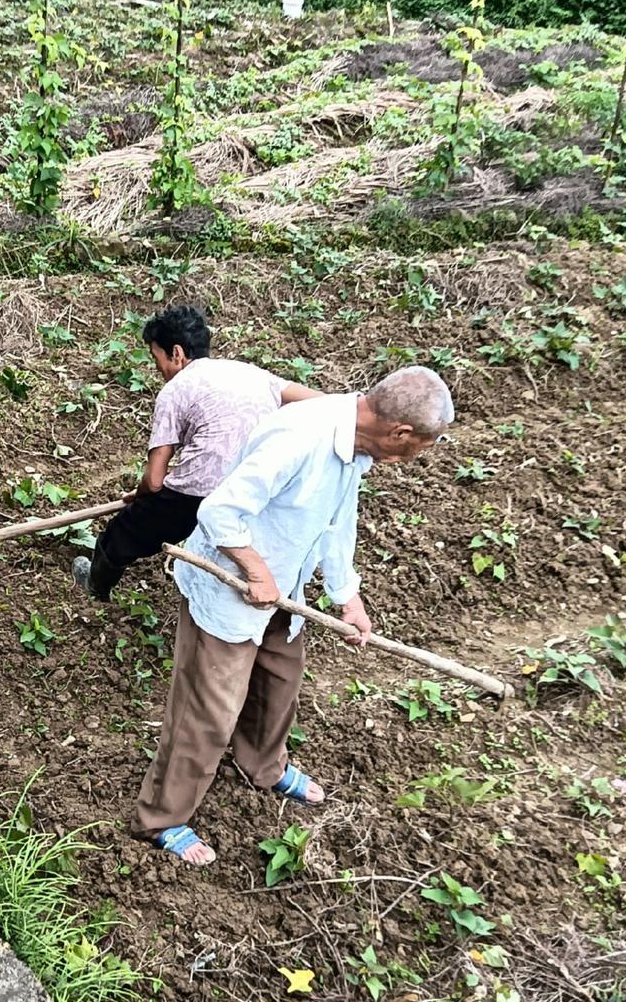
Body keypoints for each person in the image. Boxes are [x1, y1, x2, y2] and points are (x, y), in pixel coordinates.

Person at [133, 366, 455, 868]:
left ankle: (262, 765)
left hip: (285, 590)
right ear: (401, 432)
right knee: (208, 712)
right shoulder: (300, 436)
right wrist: (257, 572)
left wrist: (347, 595)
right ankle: (161, 817)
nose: (412, 459)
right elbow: (220, 512)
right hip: (233, 585)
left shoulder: (356, 445)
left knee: (280, 681)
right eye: (419, 448)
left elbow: (337, 519)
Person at [72, 304, 321, 602]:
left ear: (176, 353)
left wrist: (139, 498)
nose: (158, 369)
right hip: (257, 489)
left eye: (157, 358)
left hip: (195, 495)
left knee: (120, 535)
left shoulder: (177, 389)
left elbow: (154, 481)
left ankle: (96, 585)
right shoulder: (252, 374)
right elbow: (320, 402)